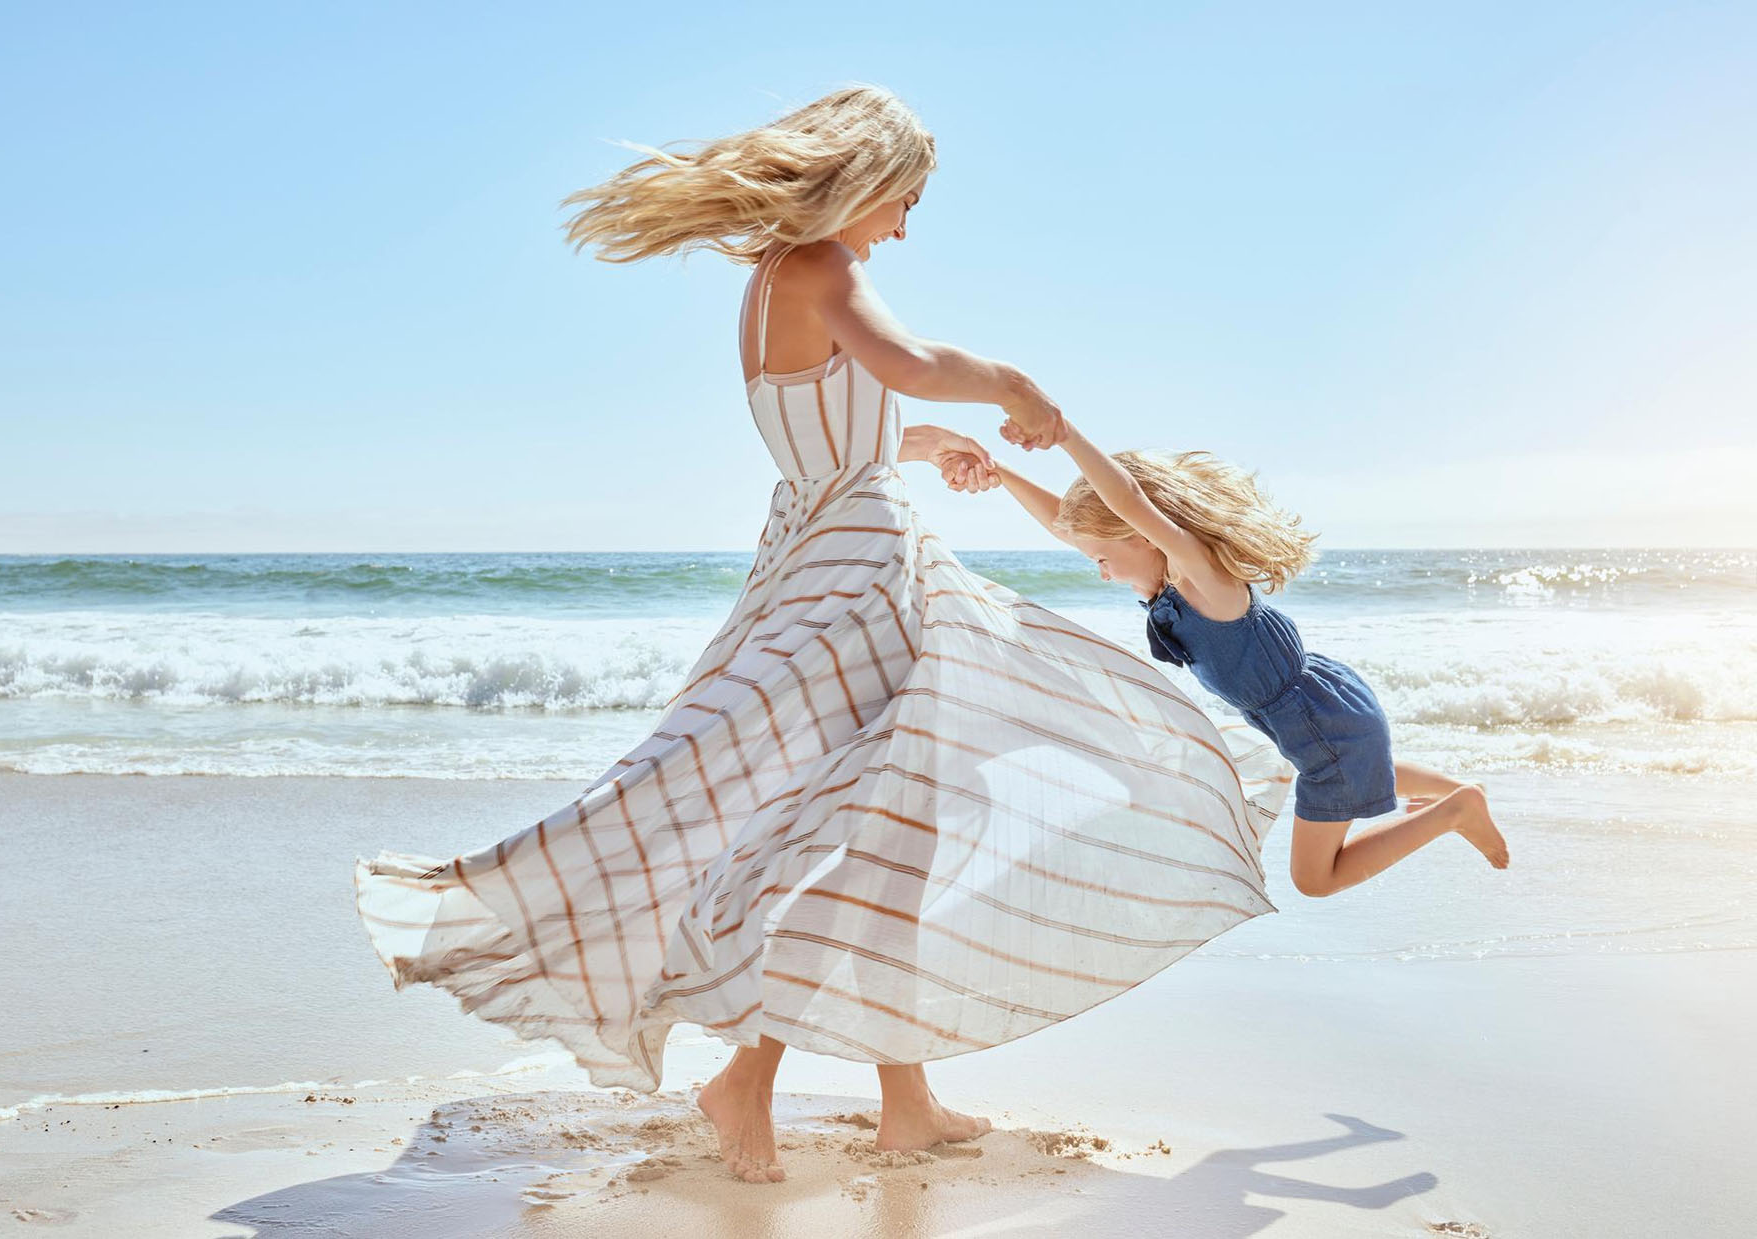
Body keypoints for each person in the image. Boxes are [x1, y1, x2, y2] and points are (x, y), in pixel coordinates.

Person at [353, 85, 1290, 1185]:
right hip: (859, 567)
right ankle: (750, 1075)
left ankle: (906, 1098)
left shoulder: (774, 285)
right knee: (865, 821)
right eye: (908, 203)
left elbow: (860, 411)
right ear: (869, 181)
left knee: (904, 810)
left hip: (824, 543)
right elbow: (907, 367)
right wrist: (1013, 386)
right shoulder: (823, 270)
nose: (905, 228)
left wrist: (935, 447)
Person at [944, 417, 1510, 898]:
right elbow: (1069, 526)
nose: (1101, 570)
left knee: (1316, 879)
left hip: (1321, 729)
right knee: (1347, 765)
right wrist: (1000, 476)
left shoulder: (1203, 581)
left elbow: (1129, 501)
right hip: (1324, 720)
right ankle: (1457, 793)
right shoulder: (1166, 585)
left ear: (1144, 535)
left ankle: (1455, 811)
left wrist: (1065, 435)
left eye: (1102, 558)